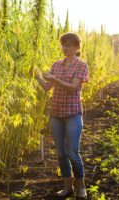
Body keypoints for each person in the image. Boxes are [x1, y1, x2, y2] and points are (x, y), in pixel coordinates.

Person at [33, 32, 88, 198]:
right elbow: (46, 87)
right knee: (61, 153)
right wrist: (36, 76)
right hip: (56, 114)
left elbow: (73, 87)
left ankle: (81, 187)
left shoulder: (82, 65)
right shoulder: (56, 65)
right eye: (63, 44)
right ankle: (67, 187)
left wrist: (55, 80)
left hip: (73, 114)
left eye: (69, 45)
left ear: (77, 47)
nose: (65, 48)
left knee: (73, 152)